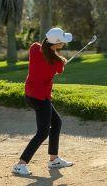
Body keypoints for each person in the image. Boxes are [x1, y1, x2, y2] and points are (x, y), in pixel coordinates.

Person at [13, 27, 75, 177]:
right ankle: (21, 164)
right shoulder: (57, 63)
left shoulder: (35, 49)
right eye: (62, 42)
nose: (64, 44)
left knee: (57, 122)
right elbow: (58, 67)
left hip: (31, 95)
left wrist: (58, 58)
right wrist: (61, 60)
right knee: (42, 132)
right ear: (57, 43)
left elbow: (44, 52)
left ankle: (53, 159)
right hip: (40, 98)